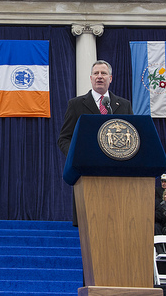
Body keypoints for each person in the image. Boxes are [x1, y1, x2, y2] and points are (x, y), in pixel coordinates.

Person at [57, 60, 132, 226]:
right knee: (90, 227)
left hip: (118, 177)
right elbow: (64, 138)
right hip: (88, 176)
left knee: (118, 224)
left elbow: (131, 137)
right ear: (91, 78)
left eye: (103, 73)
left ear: (110, 78)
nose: (100, 77)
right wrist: (76, 157)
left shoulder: (124, 105)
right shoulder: (76, 105)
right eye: (96, 74)